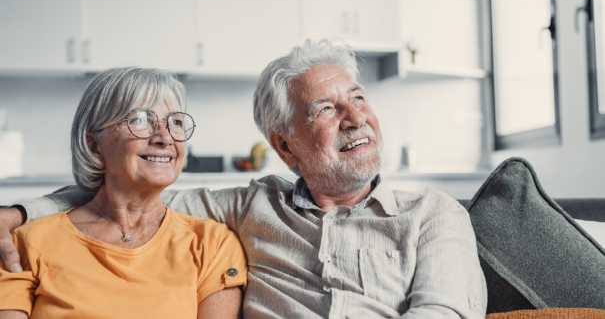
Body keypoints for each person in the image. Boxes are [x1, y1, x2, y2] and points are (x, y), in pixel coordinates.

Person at [0, 39, 486, 318]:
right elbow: (127, 196)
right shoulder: (247, 208)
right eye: (326, 109)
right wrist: (19, 214)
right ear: (284, 145)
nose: (355, 118)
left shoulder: (433, 215)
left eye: (358, 99)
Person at [0, 68, 247, 318]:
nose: (164, 137)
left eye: (176, 122)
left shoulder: (213, 244)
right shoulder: (23, 243)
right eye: (140, 119)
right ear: (94, 145)